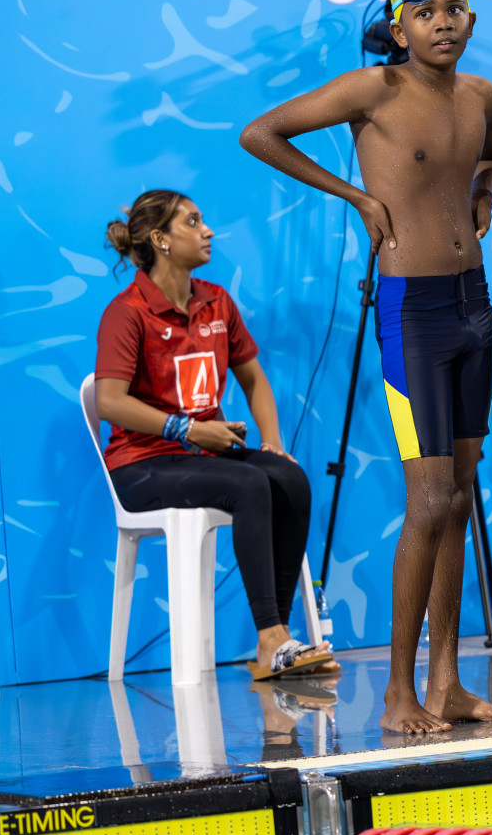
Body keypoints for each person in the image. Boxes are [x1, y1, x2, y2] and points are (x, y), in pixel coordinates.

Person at [240, 0, 492, 733]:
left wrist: (486, 193)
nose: (442, 20)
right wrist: (357, 196)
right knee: (428, 500)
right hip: (413, 313)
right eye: (424, 10)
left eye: (455, 7)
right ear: (398, 29)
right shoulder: (376, 91)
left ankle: (447, 684)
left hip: (474, 306)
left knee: (459, 500)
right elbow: (259, 133)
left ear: (469, 20)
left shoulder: (482, 96)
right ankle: (398, 694)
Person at [95, 190, 337, 681]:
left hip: (205, 454)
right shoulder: (128, 311)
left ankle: (279, 636)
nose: (208, 231)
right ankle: (271, 639)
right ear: (161, 239)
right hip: (141, 465)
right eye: (193, 222)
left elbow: (253, 378)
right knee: (248, 485)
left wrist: (272, 443)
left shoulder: (216, 301)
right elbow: (109, 401)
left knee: (288, 477)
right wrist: (186, 429)